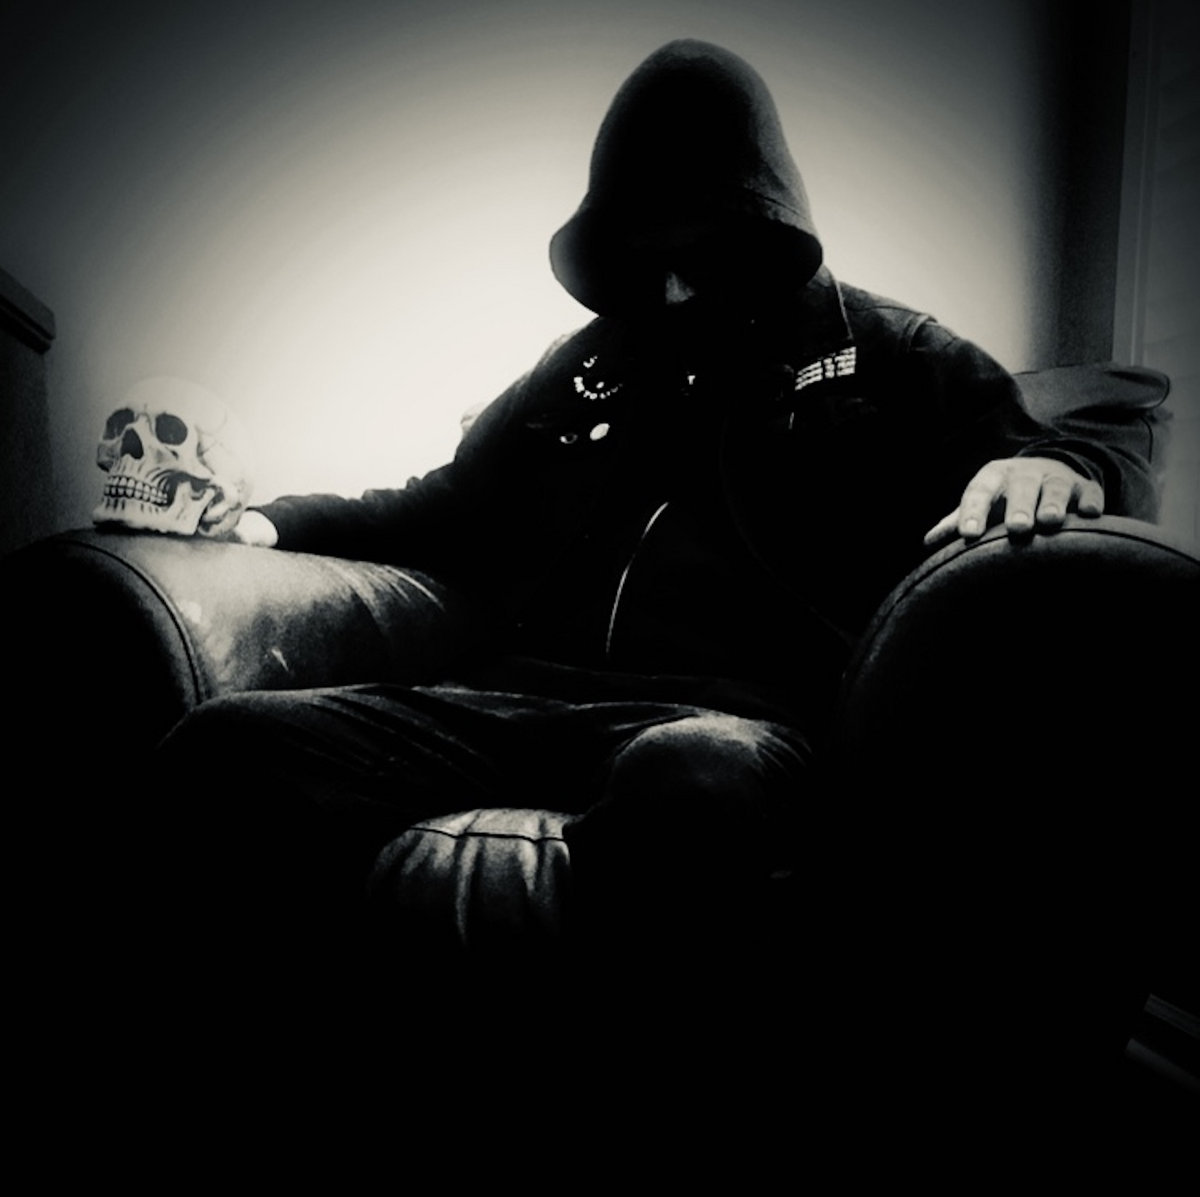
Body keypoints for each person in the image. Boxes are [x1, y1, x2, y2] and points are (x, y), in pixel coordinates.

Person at [154, 40, 1152, 1113]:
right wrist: (263, 520)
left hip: (733, 724)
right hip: (517, 699)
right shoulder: (582, 366)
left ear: (759, 227)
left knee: (695, 781)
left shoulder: (886, 350)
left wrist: (1062, 465)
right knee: (229, 745)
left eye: (699, 246)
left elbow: (1087, 442)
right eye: (645, 248)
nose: (672, 285)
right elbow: (437, 505)